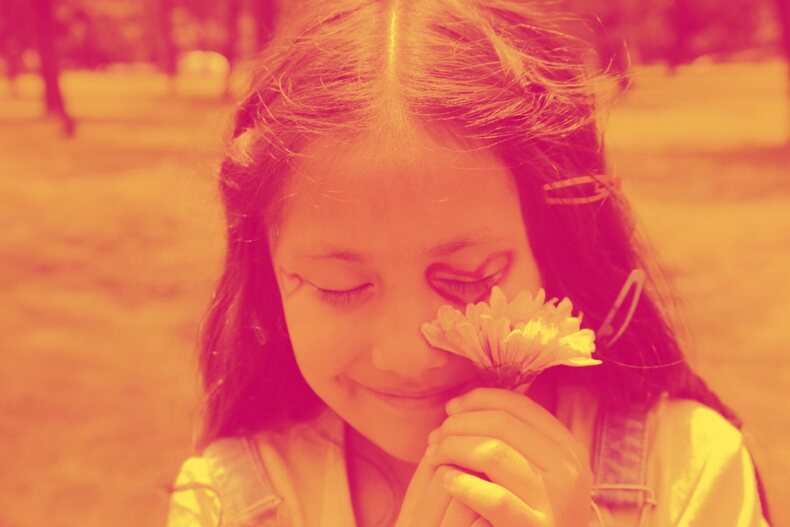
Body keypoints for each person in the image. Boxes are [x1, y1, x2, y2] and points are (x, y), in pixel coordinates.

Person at [164, 0, 772, 525]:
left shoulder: (687, 469)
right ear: (270, 278)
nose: (409, 353)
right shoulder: (226, 501)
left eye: (469, 280)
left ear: (559, 253)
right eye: (339, 286)